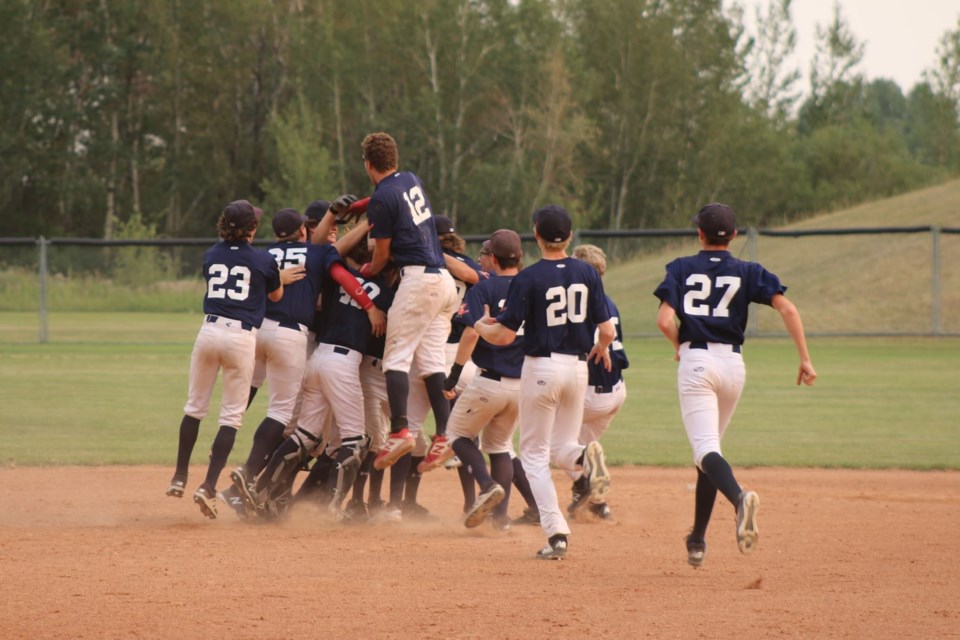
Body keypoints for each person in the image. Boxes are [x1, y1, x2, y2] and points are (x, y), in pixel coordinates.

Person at [653, 202, 817, 568]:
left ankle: (740, 498)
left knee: (705, 451)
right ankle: (697, 539)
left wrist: (680, 345)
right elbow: (788, 309)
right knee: (711, 454)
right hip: (732, 365)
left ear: (699, 234)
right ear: (735, 236)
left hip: (697, 362)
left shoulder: (680, 267)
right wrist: (805, 359)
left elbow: (665, 320)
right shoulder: (748, 270)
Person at [473, 205, 616, 560]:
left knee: (534, 456)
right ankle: (587, 455)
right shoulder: (587, 272)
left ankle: (557, 535)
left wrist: (479, 326)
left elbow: (504, 336)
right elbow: (608, 330)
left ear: (535, 235)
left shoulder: (530, 277)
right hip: (577, 369)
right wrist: (600, 346)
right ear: (569, 236)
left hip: (541, 369)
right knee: (564, 446)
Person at [226, 206, 385, 517]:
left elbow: (335, 264)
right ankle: (327, 510)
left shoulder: (326, 272)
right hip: (322, 355)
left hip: (311, 355)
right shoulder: (374, 286)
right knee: (354, 439)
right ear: (303, 231)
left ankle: (261, 494)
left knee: (304, 435)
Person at [165, 200, 288, 519]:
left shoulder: (210, 254)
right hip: (240, 338)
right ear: (252, 229)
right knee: (231, 417)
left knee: (194, 407)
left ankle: (179, 476)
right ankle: (207, 485)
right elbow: (276, 296)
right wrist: (276, 277)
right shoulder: (263, 260)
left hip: (208, 331)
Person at [357, 132, 460, 496]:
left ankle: (400, 430)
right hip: (443, 282)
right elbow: (390, 201)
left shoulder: (382, 198)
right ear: (394, 159)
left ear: (368, 164)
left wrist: (368, 270)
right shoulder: (410, 179)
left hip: (417, 282)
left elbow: (382, 254)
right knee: (431, 361)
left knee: (395, 359)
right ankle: (445, 434)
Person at [443, 229, 526, 531]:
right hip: (523, 384)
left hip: (489, 381)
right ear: (520, 257)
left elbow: (470, 332)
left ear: (492, 258)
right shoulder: (531, 285)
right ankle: (500, 520)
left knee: (456, 434)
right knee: (500, 445)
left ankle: (487, 484)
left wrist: (453, 375)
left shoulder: (485, 287)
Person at [567, 244, 629, 521]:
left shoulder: (579, 304)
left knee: (550, 442)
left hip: (590, 394)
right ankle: (597, 503)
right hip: (616, 392)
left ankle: (585, 483)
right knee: (584, 447)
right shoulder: (609, 301)